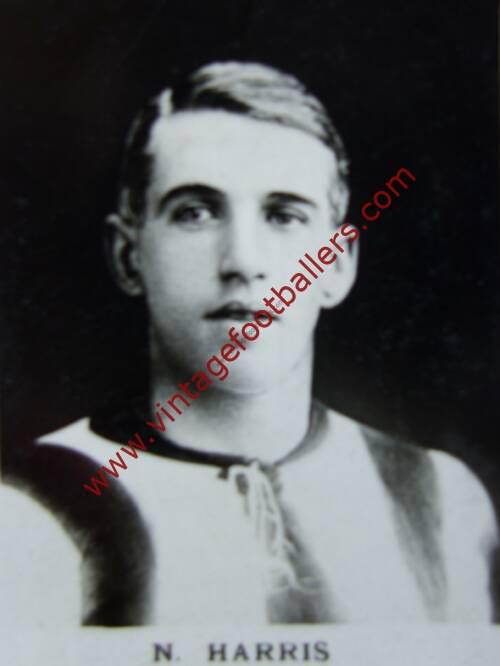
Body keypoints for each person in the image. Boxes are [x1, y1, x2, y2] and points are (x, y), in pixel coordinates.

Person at [9, 61, 498, 625]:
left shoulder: (443, 503)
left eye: (284, 216)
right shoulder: (27, 510)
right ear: (128, 255)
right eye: (195, 213)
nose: (242, 260)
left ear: (337, 265)